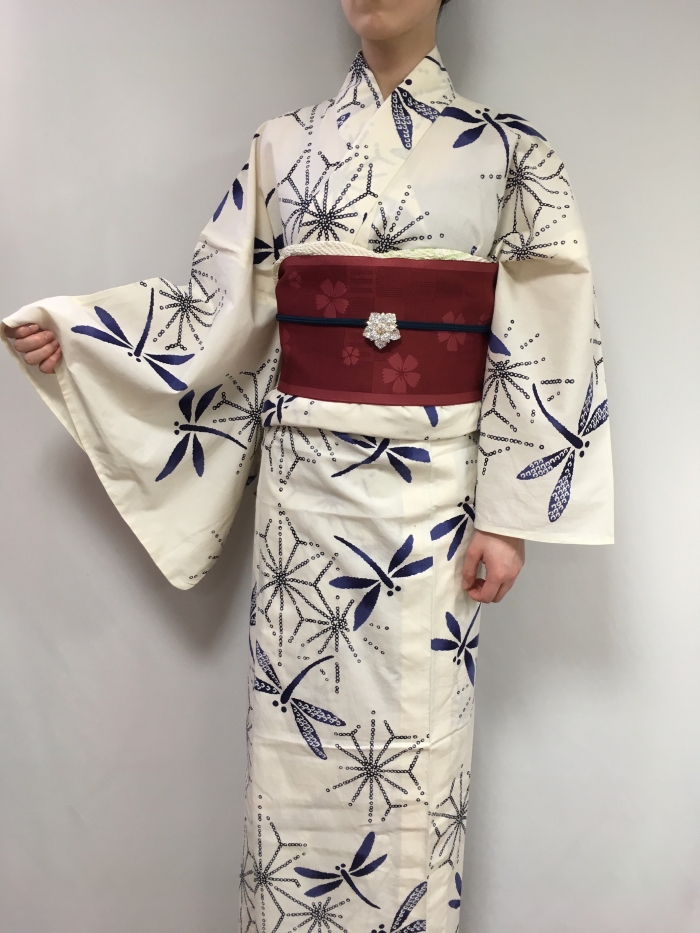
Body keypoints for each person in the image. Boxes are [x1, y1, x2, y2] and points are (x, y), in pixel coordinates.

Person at [3, 0, 613, 929]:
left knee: (416, 761)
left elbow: (547, 330)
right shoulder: (282, 146)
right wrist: (87, 336)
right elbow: (217, 310)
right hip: (305, 512)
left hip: (435, 515)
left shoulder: (511, 152)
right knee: (292, 763)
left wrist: (508, 515)